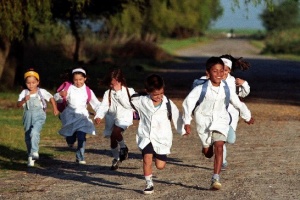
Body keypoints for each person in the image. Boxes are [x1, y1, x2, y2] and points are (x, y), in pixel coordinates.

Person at [182, 57, 254, 190]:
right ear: (208, 73)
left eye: (222, 71)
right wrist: (187, 122)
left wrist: (247, 116)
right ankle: (206, 146)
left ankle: (215, 178)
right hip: (203, 122)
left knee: (219, 146)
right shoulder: (200, 88)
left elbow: (237, 103)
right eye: (215, 71)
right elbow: (188, 103)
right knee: (208, 152)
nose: (219, 74)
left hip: (221, 121)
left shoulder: (226, 88)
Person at [130, 74, 185, 195]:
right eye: (155, 94)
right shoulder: (141, 101)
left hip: (162, 138)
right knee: (147, 158)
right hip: (146, 136)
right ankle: (149, 183)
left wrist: (183, 129)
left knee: (160, 166)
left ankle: (156, 154)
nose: (159, 96)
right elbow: (129, 98)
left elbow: (176, 116)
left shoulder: (167, 104)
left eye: (161, 93)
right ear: (147, 92)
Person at [55, 67, 101, 164]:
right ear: (72, 79)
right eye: (75, 80)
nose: (78, 82)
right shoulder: (69, 88)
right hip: (70, 115)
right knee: (71, 136)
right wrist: (60, 94)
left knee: (81, 135)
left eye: (80, 79)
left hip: (82, 116)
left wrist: (99, 114)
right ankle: (70, 140)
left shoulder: (88, 91)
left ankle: (80, 156)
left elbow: (96, 104)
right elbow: (57, 98)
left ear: (85, 79)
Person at [17, 68, 59, 167]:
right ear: (25, 83)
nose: (31, 85)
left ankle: (35, 151)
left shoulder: (41, 92)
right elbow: (18, 104)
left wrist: (55, 108)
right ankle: (30, 156)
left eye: (33, 82)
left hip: (39, 115)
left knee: (34, 132)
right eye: (28, 83)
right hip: (27, 116)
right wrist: (23, 100)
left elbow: (51, 98)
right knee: (28, 136)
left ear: (38, 82)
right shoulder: (24, 93)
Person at [95, 68, 135, 170]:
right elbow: (104, 105)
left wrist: (118, 93)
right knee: (113, 139)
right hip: (111, 118)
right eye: (110, 84)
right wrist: (99, 116)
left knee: (116, 132)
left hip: (124, 117)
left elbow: (129, 105)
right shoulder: (107, 93)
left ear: (120, 81)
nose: (111, 86)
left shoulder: (129, 91)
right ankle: (116, 158)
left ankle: (123, 147)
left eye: (113, 84)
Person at [220, 54, 251, 170]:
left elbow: (243, 94)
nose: (223, 72)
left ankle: (220, 155)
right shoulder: (211, 80)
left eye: (226, 70)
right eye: (220, 69)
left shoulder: (233, 82)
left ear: (230, 70)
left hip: (231, 116)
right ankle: (221, 160)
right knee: (220, 139)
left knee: (230, 139)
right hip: (215, 116)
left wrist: (244, 84)